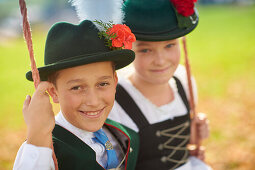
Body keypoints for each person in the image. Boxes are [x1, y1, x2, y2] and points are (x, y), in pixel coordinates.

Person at [13, 20, 139, 170]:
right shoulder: (41, 149)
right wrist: (37, 135)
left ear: (114, 81)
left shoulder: (122, 135)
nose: (93, 101)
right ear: (53, 92)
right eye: (77, 87)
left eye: (103, 84)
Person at [107, 0, 211, 169]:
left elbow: (185, 144)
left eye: (170, 45)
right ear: (128, 49)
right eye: (145, 50)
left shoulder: (183, 80)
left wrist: (195, 136)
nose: (161, 61)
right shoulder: (115, 101)